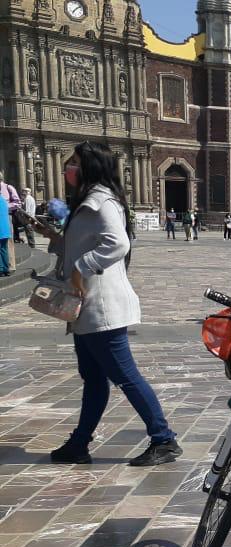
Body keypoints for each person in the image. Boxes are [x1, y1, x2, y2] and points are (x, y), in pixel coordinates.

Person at [38, 141, 181, 467]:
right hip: (85, 307)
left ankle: (164, 439)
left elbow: (118, 243)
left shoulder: (102, 201)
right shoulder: (89, 201)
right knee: (93, 378)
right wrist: (55, 238)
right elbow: (82, 245)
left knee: (126, 376)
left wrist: (82, 266)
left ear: (90, 166)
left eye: (74, 162)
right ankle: (79, 443)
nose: (69, 168)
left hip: (102, 307)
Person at [0, 193, 10, 277]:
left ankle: (1, 269)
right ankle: (6, 269)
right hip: (5, 229)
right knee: (4, 250)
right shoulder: (3, 200)